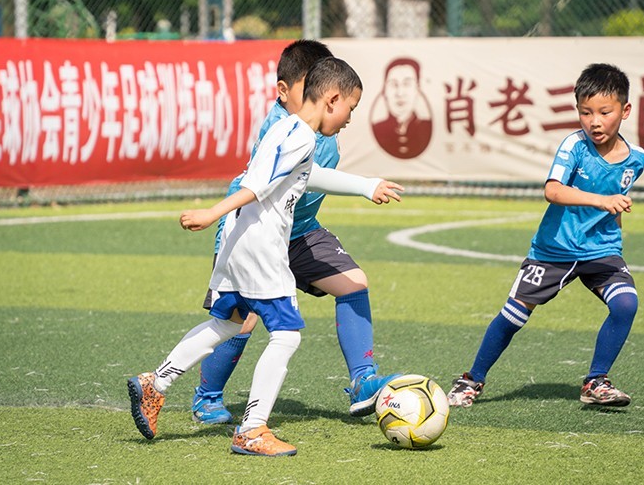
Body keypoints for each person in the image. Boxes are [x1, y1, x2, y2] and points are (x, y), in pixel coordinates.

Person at [128, 57, 364, 457]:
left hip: (237, 242)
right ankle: (252, 429)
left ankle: (157, 382)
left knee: (227, 322)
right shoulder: (302, 137)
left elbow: (307, 177)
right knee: (286, 335)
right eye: (349, 109)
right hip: (261, 248)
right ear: (332, 98)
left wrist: (366, 185)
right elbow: (256, 184)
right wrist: (211, 212)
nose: (348, 120)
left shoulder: (287, 128)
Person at [192, 40, 403, 426]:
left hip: (299, 231)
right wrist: (363, 185)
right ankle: (206, 396)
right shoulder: (283, 127)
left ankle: (363, 382)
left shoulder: (319, 121)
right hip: (254, 232)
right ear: (290, 91)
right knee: (242, 318)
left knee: (353, 282)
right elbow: (307, 178)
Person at [447, 63, 644, 409]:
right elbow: (553, 191)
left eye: (604, 112)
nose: (594, 121)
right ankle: (471, 379)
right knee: (514, 316)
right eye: (585, 112)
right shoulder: (574, 146)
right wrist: (602, 201)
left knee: (626, 303)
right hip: (554, 250)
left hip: (601, 250)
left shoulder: (637, 159)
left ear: (625, 111)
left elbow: (615, 203)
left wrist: (611, 230)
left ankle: (596, 381)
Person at [371, 57, 432, 159]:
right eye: (393, 84)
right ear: (384, 91)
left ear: (418, 89)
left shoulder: (426, 127)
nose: (399, 93)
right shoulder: (378, 128)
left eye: (407, 84)